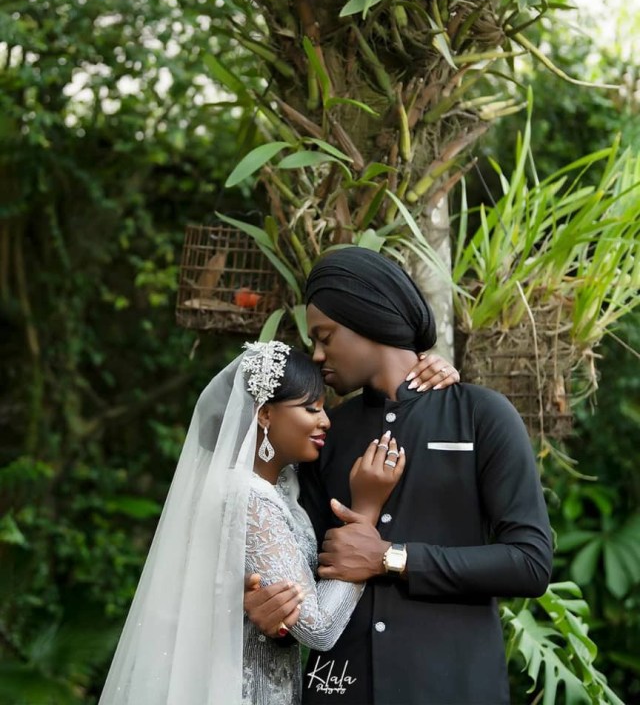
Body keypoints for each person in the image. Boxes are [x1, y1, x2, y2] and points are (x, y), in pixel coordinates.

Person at [245, 246, 554, 705]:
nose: (318, 355)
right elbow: (306, 572)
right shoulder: (326, 433)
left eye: (326, 337)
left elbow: (530, 563)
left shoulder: (480, 415)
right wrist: (275, 615)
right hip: (340, 689)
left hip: (454, 689)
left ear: (369, 320)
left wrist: (393, 558)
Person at [99, 340, 412, 705]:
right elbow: (318, 628)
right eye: (311, 408)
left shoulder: (280, 486)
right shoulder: (248, 498)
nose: (325, 420)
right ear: (264, 414)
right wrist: (366, 514)